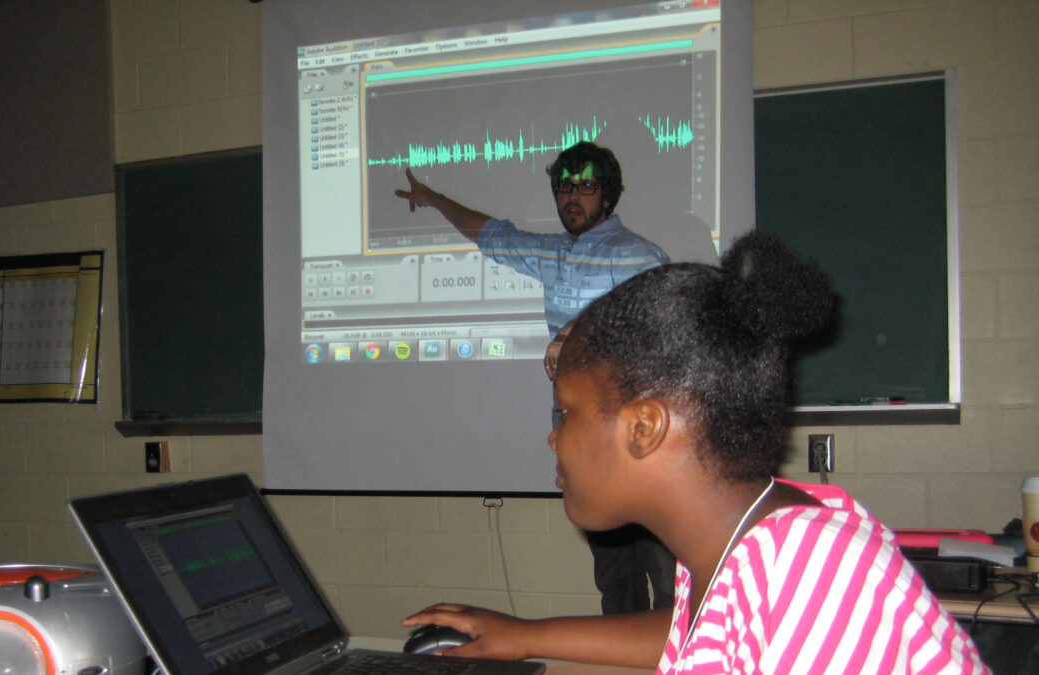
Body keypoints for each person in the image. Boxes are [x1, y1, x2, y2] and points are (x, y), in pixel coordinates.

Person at [402, 233, 987, 673]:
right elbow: (700, 633)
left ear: (644, 427)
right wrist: (528, 635)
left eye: (566, 412)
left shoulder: (808, 568)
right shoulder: (741, 545)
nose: (553, 437)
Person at [395, 141, 677, 613]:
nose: (572, 196)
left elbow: (653, 325)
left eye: (586, 186)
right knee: (616, 588)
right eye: (564, 185)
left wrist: (576, 332)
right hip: (588, 450)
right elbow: (491, 235)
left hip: (642, 451)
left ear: (607, 197)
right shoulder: (551, 254)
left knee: (670, 590)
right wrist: (434, 199)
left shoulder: (636, 254)